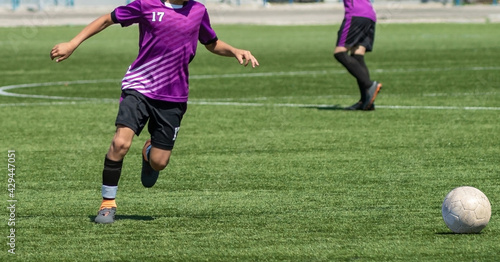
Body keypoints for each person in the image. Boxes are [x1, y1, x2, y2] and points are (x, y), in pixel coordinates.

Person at [50, 0, 259, 224]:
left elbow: (211, 43)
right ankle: (107, 204)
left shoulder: (198, 11)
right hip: (139, 86)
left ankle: (148, 150)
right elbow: (106, 19)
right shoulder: (145, 5)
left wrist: (235, 50)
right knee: (121, 143)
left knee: (159, 162)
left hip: (173, 95)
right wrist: (72, 43)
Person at [333, 0, 382, 111]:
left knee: (340, 53)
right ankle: (366, 100)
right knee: (357, 56)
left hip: (356, 13)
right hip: (369, 14)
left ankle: (369, 85)